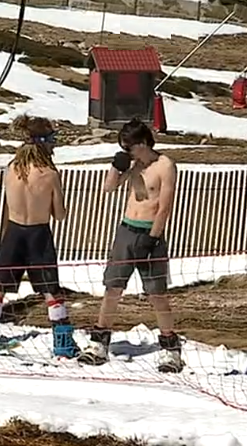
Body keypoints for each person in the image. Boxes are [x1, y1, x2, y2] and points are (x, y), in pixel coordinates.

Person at [78, 118, 182, 373]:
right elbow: (109, 187)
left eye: (130, 147)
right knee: (112, 287)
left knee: (156, 294)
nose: (127, 151)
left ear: (143, 143)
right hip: (126, 230)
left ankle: (171, 348)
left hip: (150, 234)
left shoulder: (165, 165)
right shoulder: (134, 164)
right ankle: (99, 342)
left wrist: (153, 237)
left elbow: (165, 206)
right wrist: (117, 166)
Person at [0, 115, 77, 358]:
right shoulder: (50, 174)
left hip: (14, 232)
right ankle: (63, 343)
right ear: (44, 142)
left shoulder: (11, 169)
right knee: (50, 289)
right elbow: (59, 214)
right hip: (38, 233)